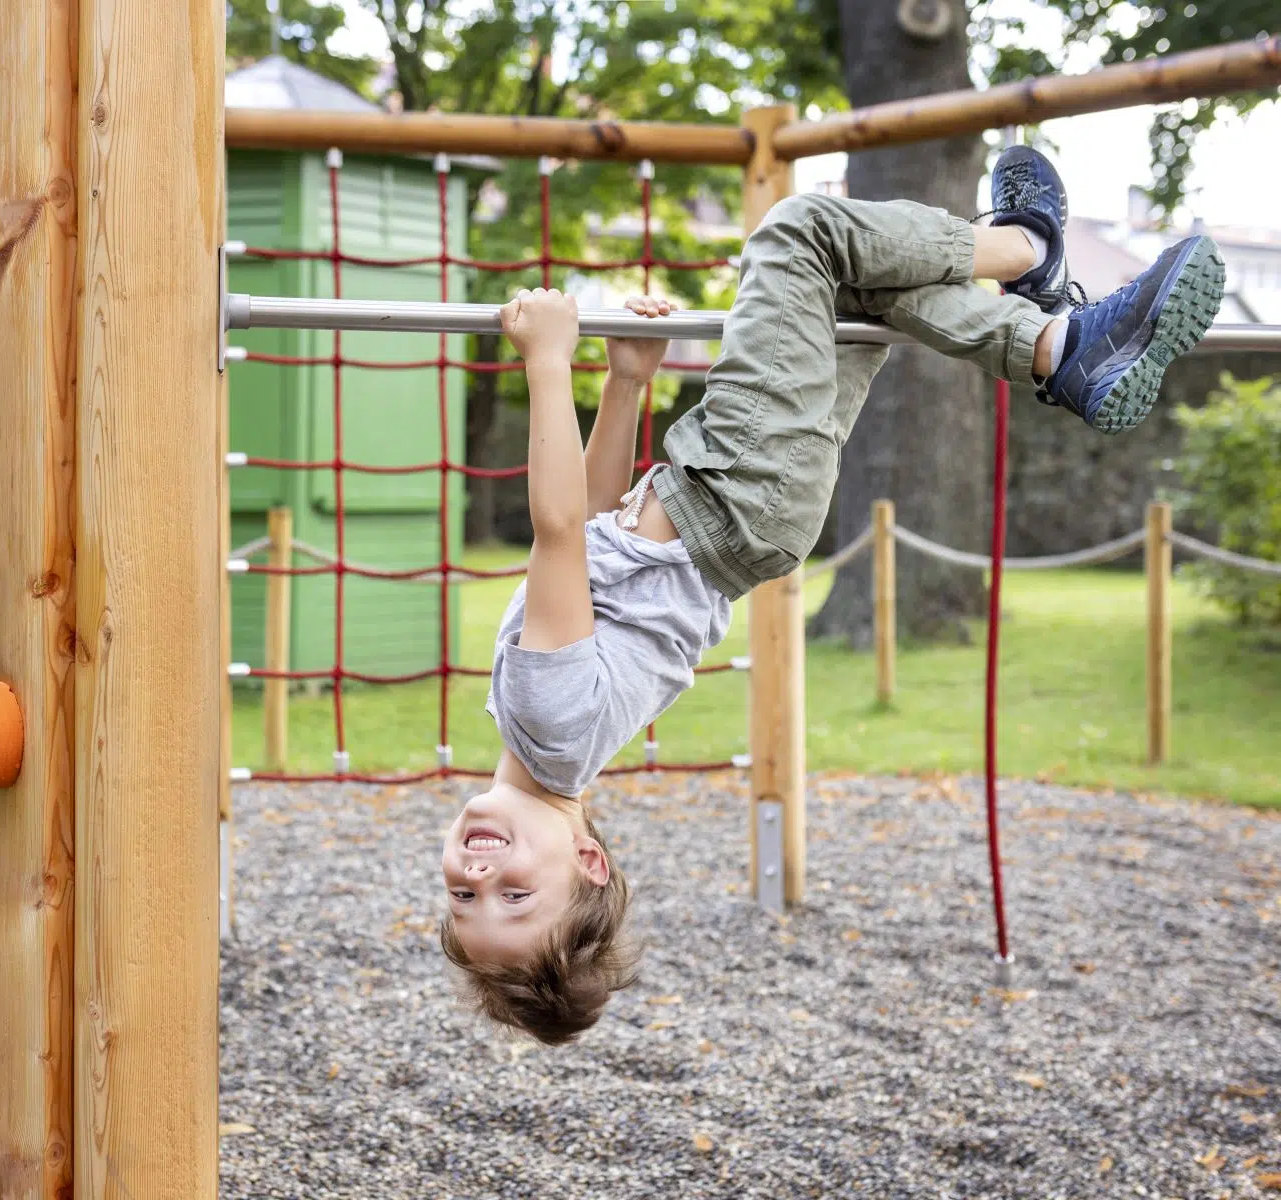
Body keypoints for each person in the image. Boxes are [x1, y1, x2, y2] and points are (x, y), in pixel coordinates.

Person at [440, 147, 1225, 1045]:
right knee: (802, 232)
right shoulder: (548, 724)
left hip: (748, 512)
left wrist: (626, 383)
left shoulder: (551, 746)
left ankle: (1055, 346)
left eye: (465, 895)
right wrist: (548, 359)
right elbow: (556, 529)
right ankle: (1024, 249)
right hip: (731, 492)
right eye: (514, 895)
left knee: (859, 285)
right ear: (586, 860)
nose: (480, 871)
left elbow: (591, 544)